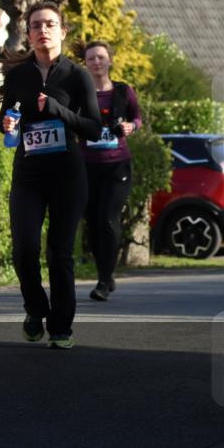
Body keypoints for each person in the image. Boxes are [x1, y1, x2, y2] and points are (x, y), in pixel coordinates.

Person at [0, 1, 101, 349]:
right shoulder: (18, 76)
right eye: (36, 25)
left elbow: (94, 129)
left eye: (50, 24)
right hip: (28, 173)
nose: (43, 30)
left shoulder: (77, 75)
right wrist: (7, 122)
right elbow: (6, 118)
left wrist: (57, 110)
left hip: (67, 175)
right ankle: (34, 308)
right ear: (28, 34)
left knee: (60, 253)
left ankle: (61, 326)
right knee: (24, 249)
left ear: (62, 31)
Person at [80, 41, 141, 301]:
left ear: (109, 61)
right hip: (87, 165)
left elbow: (137, 117)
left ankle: (104, 279)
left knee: (107, 218)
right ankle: (105, 272)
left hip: (117, 165)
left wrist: (130, 127)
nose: (96, 62)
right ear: (85, 64)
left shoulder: (123, 91)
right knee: (93, 223)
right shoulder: (80, 93)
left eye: (101, 57)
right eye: (91, 58)